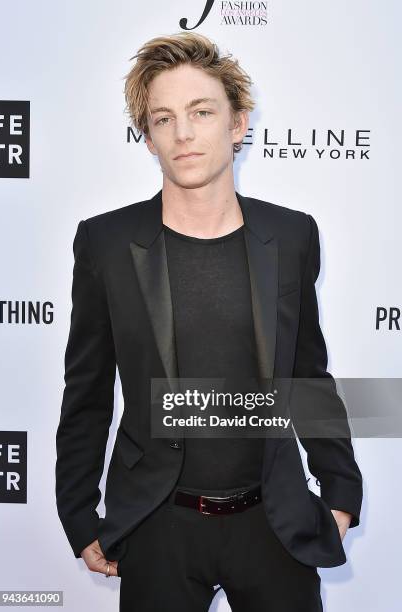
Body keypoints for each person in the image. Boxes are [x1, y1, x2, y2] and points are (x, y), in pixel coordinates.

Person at [55, 32, 363, 611]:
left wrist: (341, 492)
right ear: (147, 137)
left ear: (238, 123)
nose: (184, 133)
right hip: (156, 525)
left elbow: (308, 376)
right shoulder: (107, 242)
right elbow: (87, 392)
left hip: (275, 522)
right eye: (164, 119)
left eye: (202, 112)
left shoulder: (291, 235)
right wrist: (78, 513)